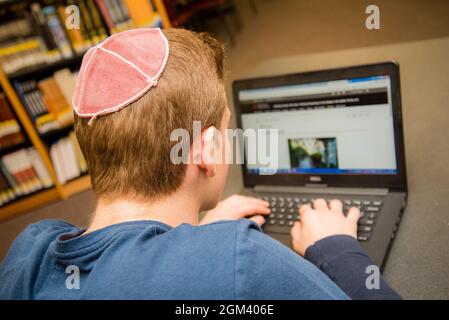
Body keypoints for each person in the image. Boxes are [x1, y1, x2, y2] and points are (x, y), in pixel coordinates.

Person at [0, 28, 400, 300]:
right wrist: (335, 247)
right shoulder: (238, 260)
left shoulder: (28, 250)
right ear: (207, 150)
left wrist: (191, 236)